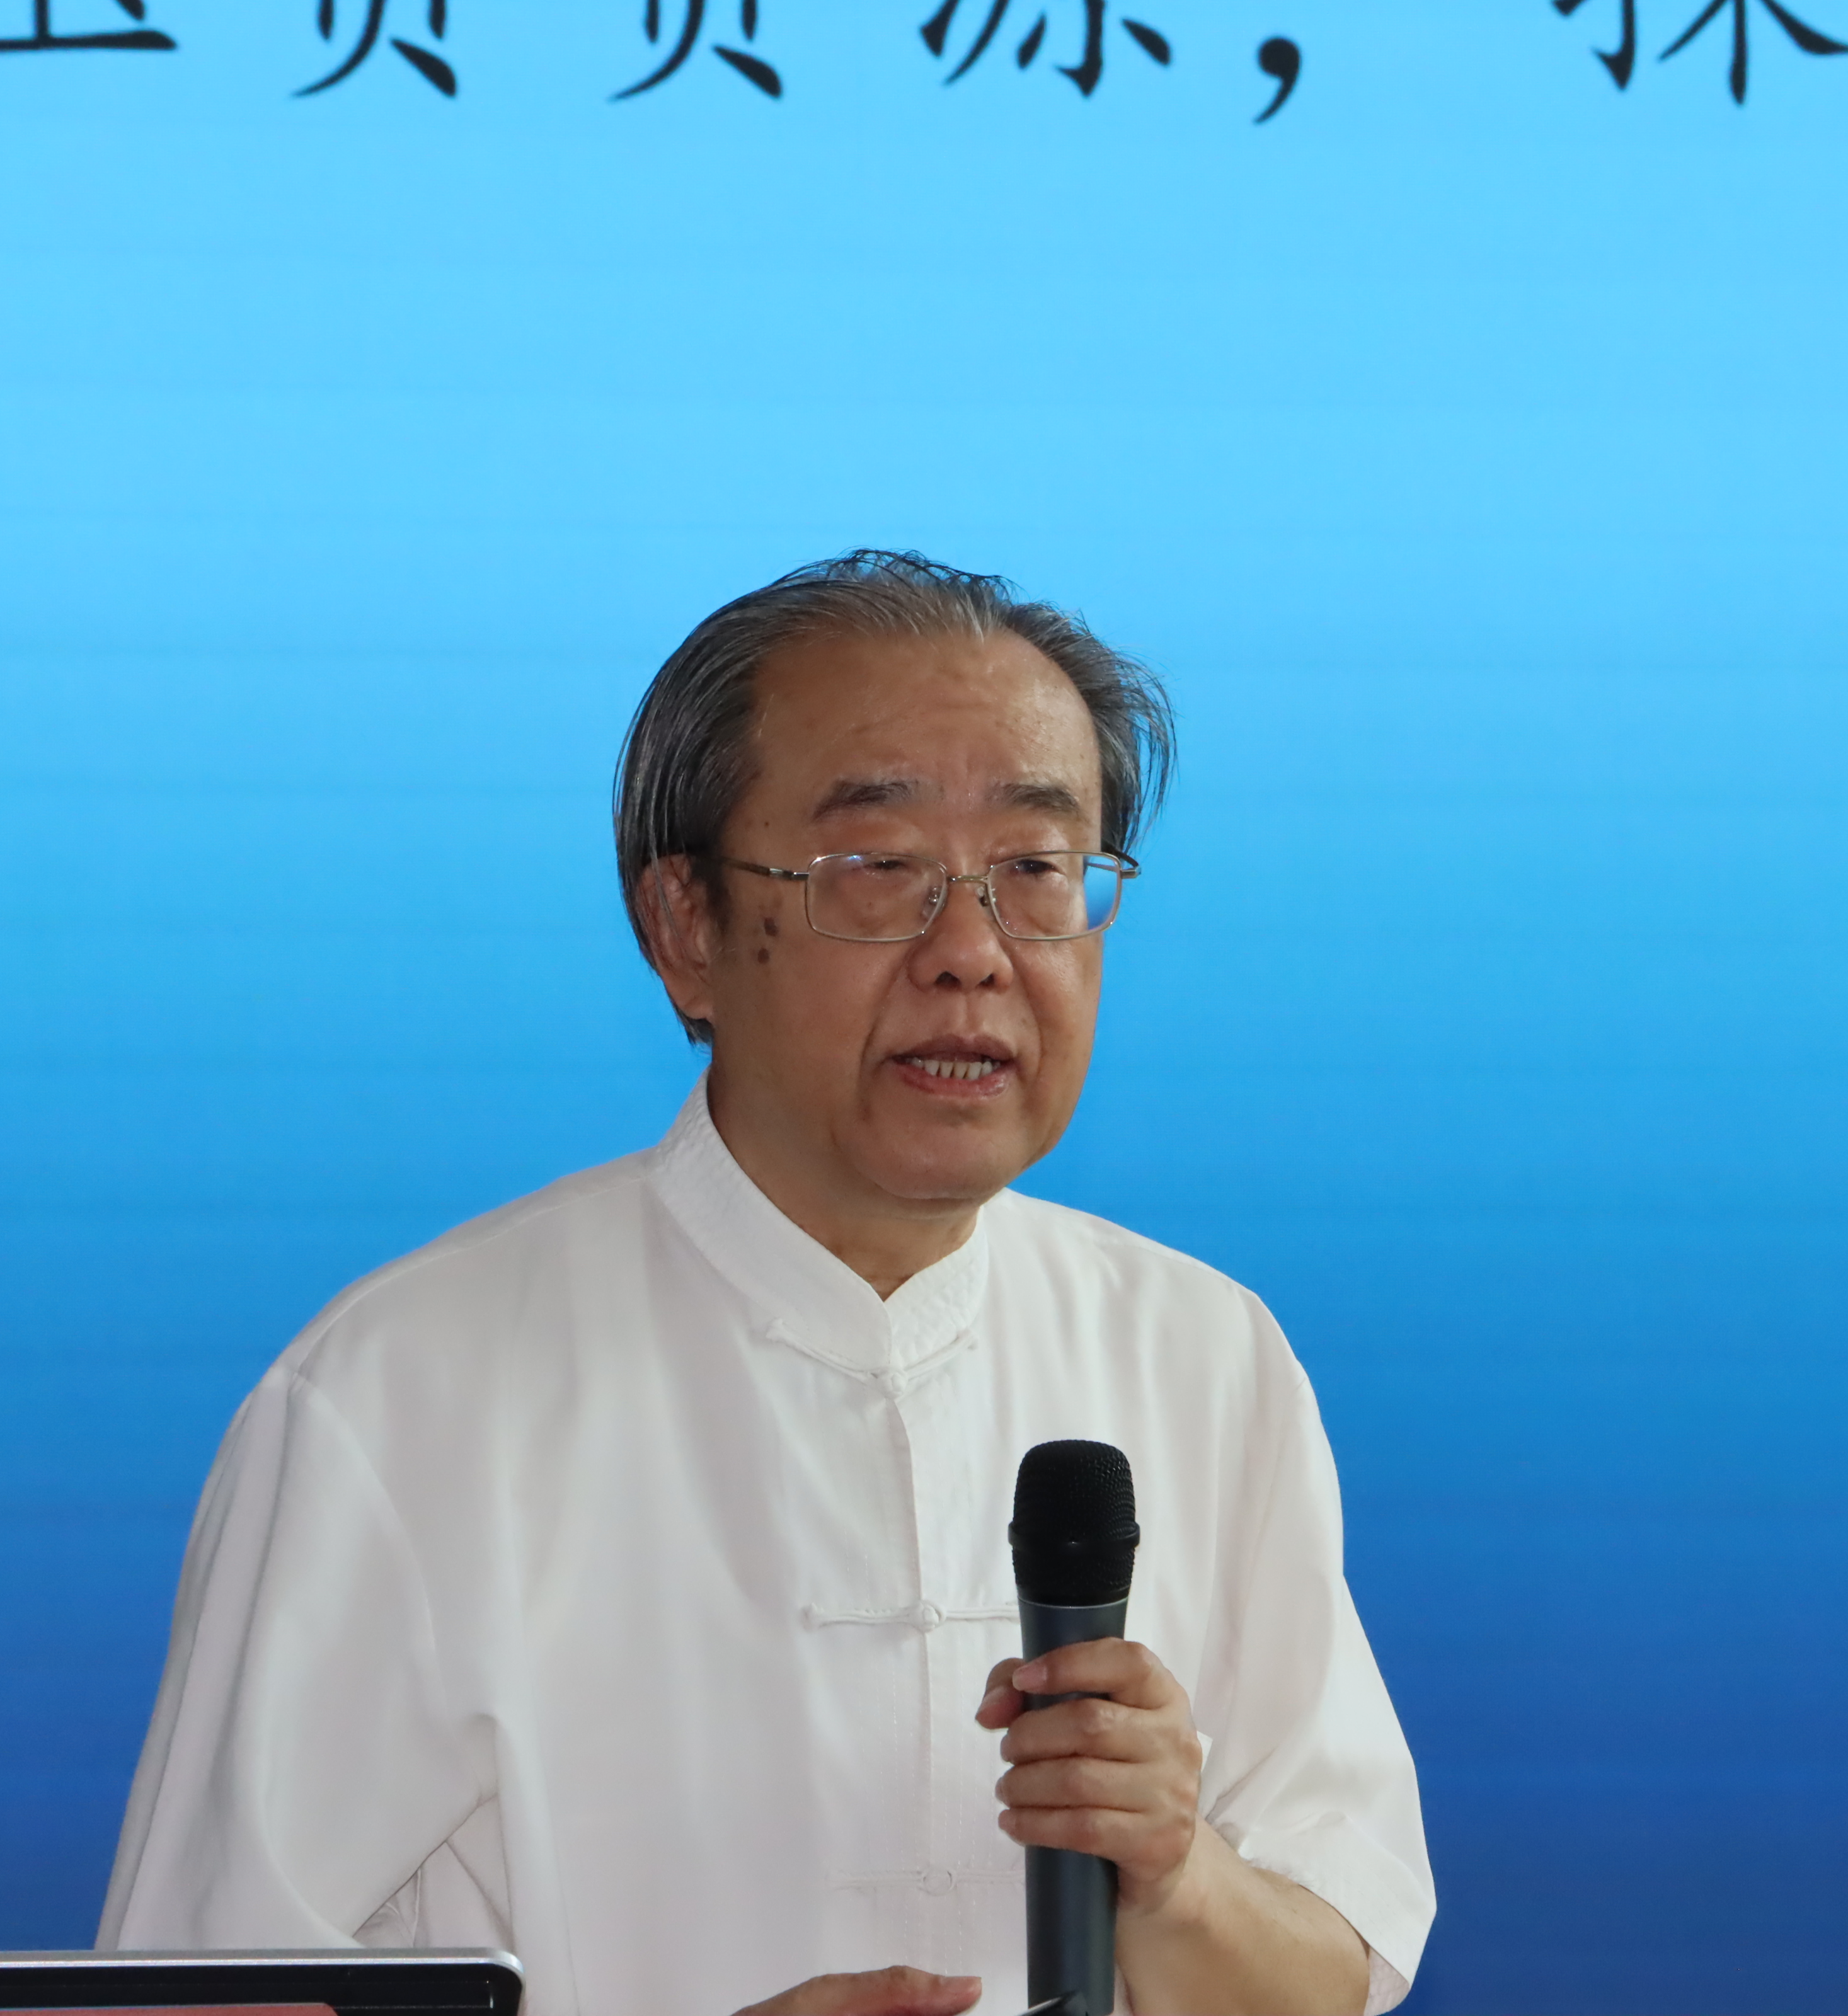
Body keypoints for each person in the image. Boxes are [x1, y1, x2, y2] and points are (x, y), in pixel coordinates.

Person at [98, 553, 1433, 2016]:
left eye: (1037, 873)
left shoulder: (1205, 1355)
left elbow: (1333, 1972)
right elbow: (188, 2004)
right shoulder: (396, 1396)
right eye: (880, 869)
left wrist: (1176, 1873)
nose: (972, 955)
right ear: (687, 931)